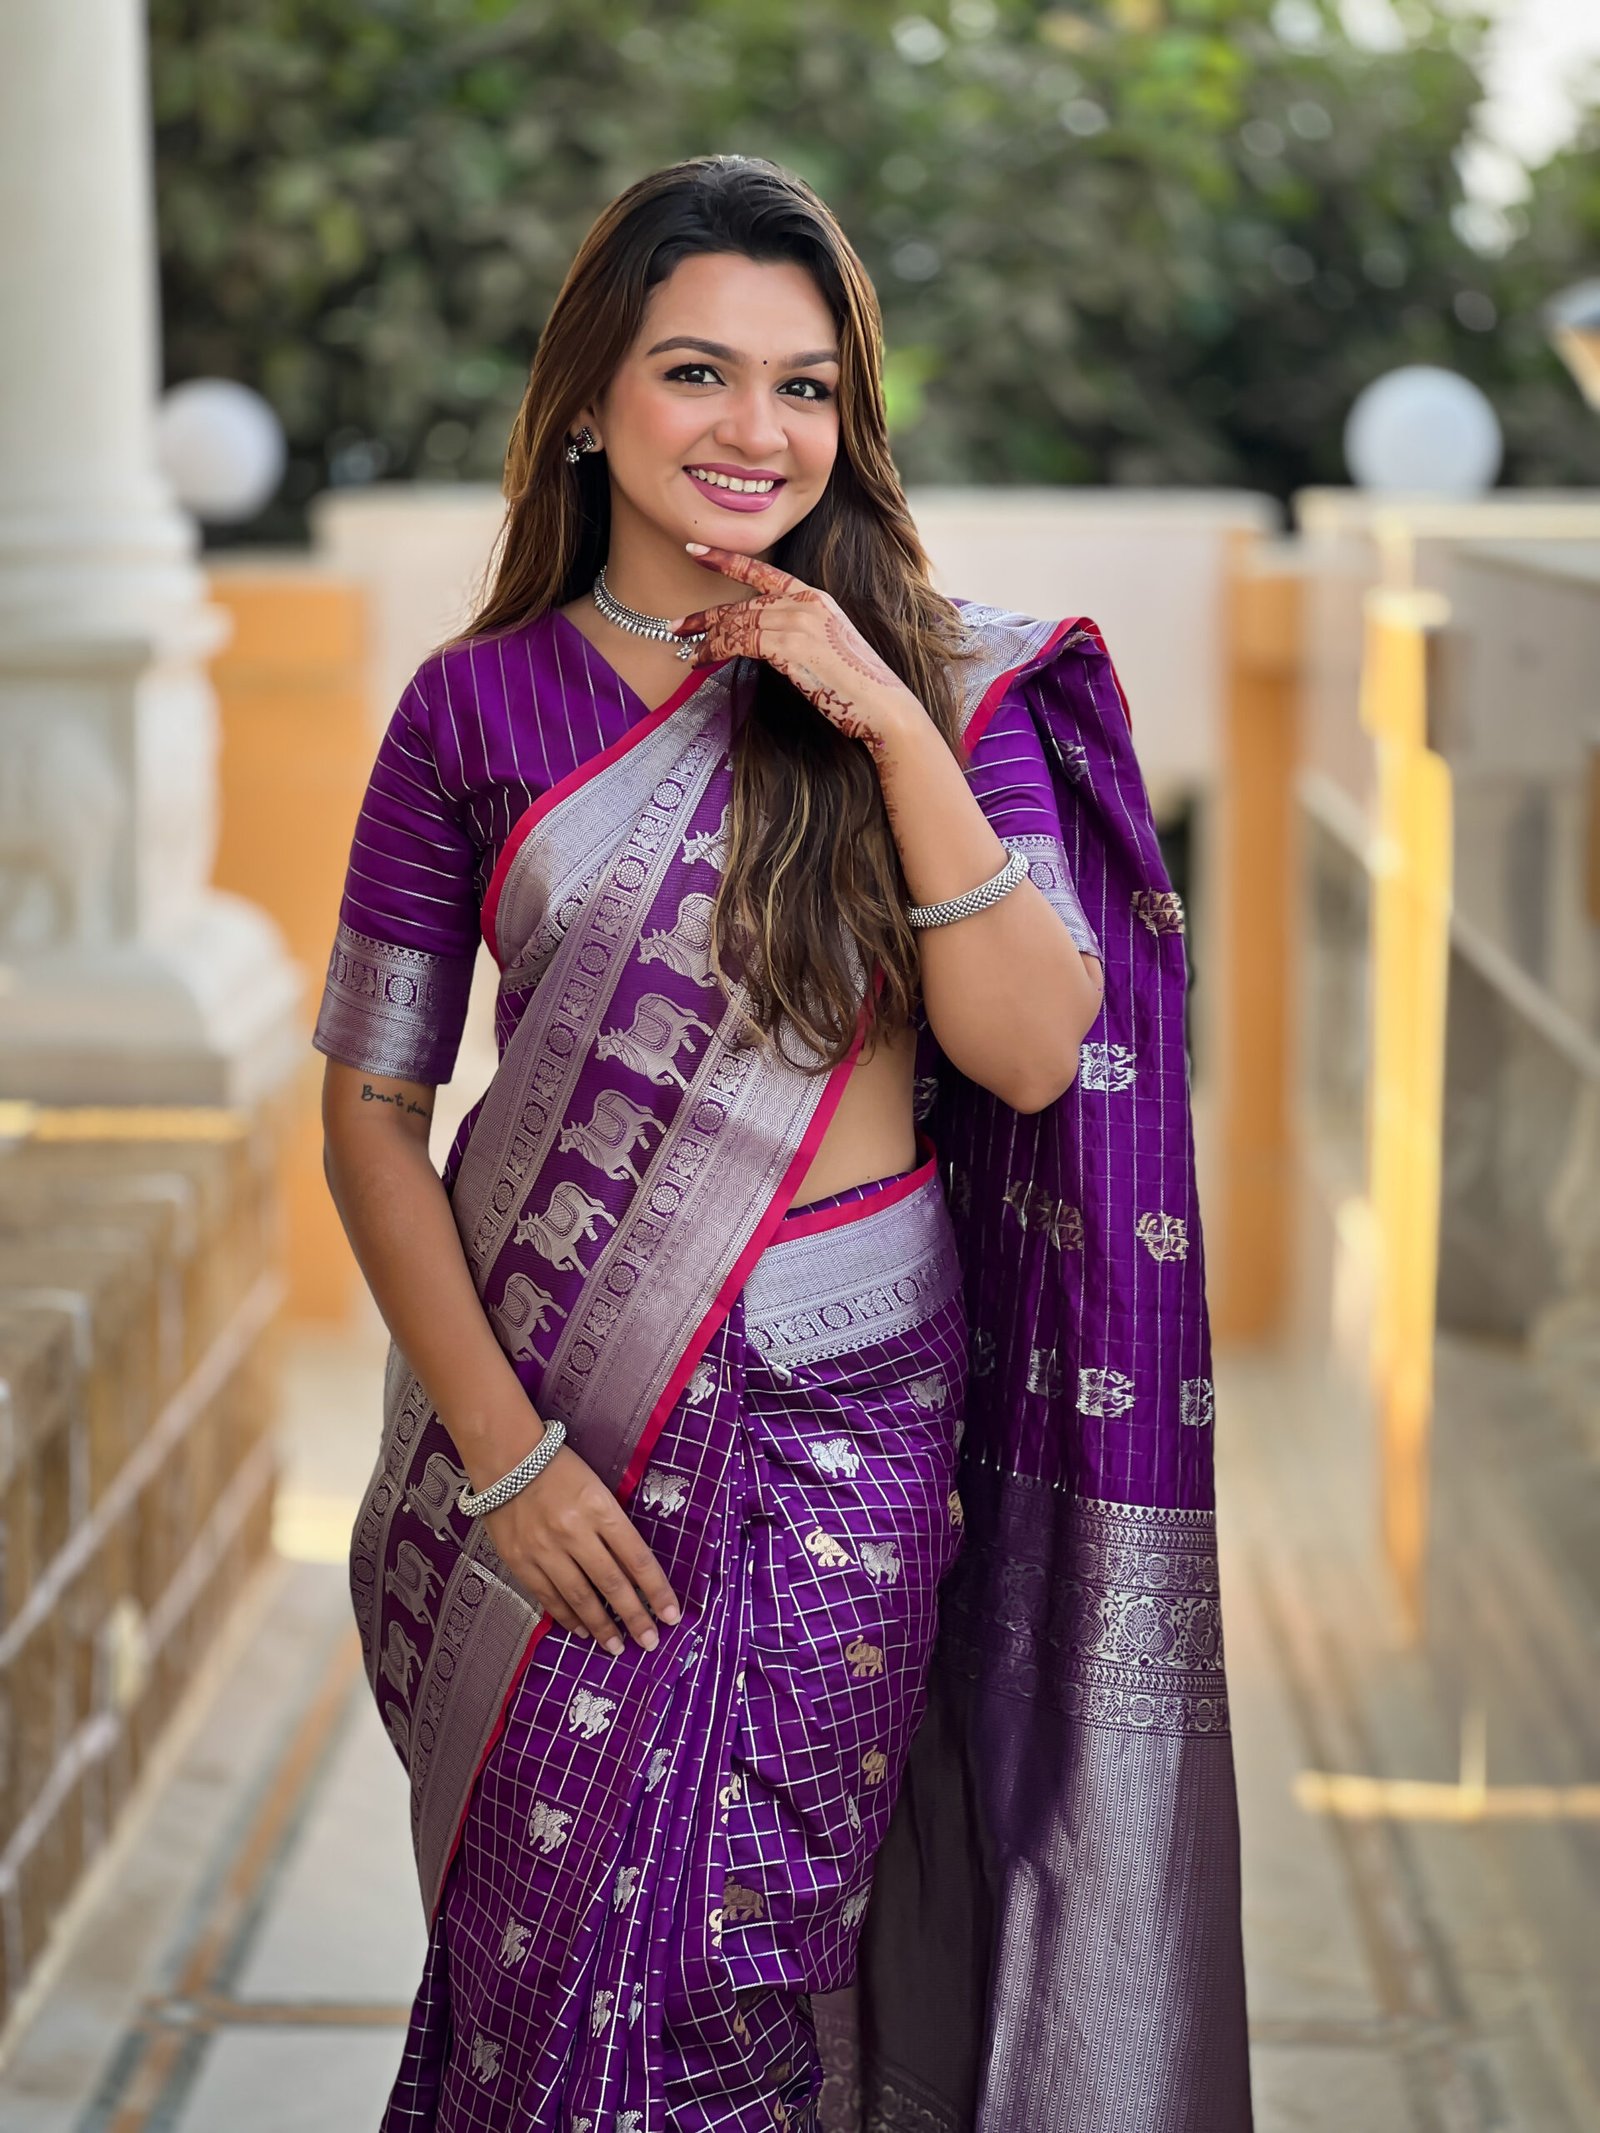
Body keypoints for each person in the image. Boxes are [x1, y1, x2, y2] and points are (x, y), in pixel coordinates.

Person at [314, 153, 1252, 2133]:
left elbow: (1028, 1046)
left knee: (743, 1969)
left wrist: (878, 717)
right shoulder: (472, 708)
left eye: (803, 385)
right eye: (697, 372)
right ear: (589, 402)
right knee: (536, 1984)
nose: (756, 428)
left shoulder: (942, 683)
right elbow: (371, 1112)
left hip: (847, 1416)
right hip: (547, 1419)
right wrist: (505, 1459)